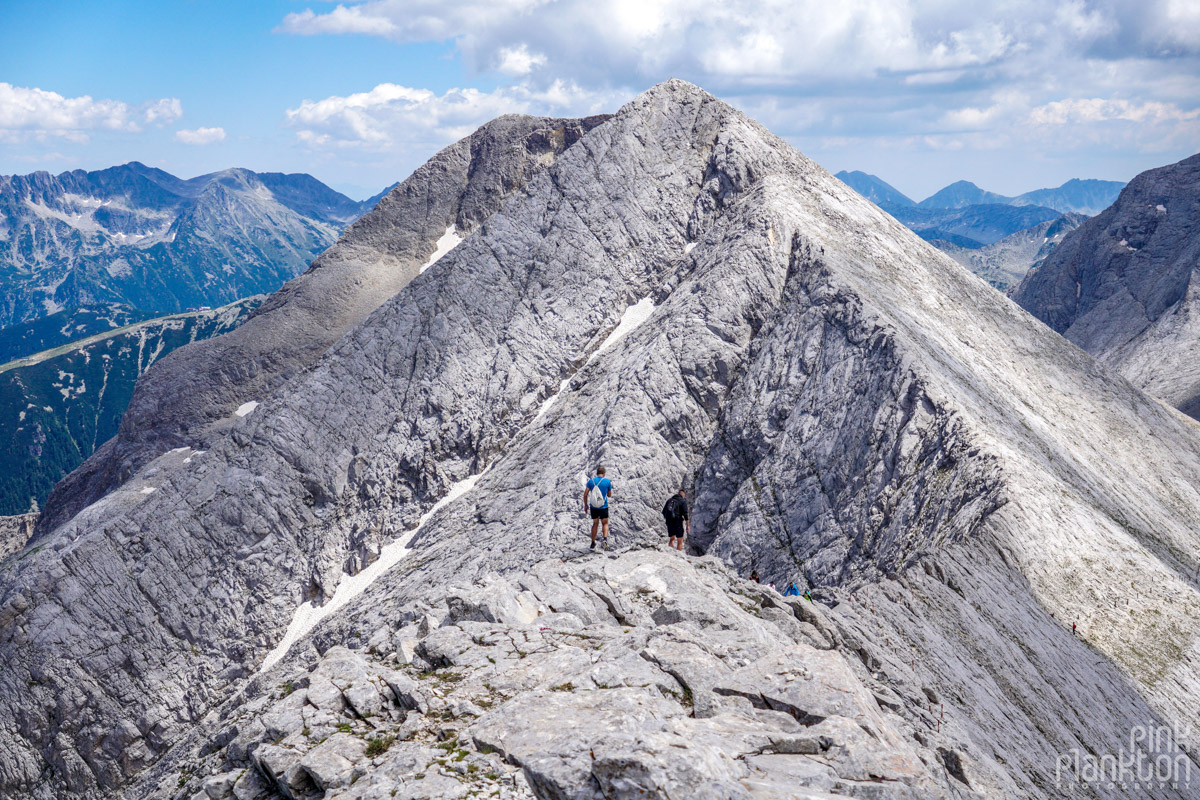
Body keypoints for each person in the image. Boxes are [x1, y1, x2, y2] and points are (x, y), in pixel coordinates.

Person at [583, 466, 614, 550]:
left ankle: (593, 542)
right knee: (605, 523)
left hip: (594, 507)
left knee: (595, 524)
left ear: (597, 473)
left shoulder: (591, 481)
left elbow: (585, 494)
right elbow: (609, 495)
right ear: (604, 473)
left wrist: (586, 505)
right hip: (603, 506)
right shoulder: (607, 481)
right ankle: (605, 539)